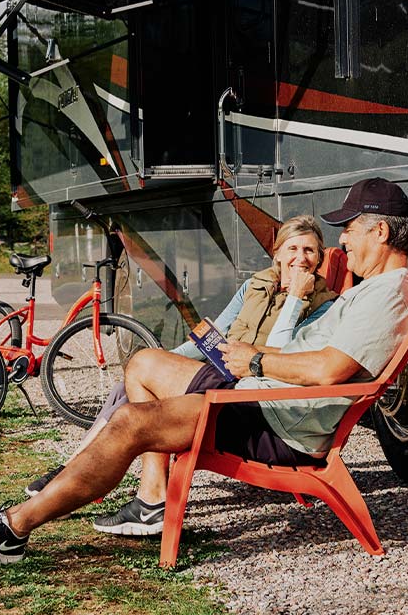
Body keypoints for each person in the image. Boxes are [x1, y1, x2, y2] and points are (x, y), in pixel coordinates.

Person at [0, 178, 408, 565]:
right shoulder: (377, 288)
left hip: (269, 417)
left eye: (349, 229)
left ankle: (11, 528)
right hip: (260, 395)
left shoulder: (388, 293)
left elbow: (333, 369)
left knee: (130, 423)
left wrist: (255, 359)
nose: (343, 240)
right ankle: (152, 500)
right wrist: (247, 361)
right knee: (143, 363)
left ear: (379, 230)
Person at [26, 215, 337, 536]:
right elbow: (216, 332)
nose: (301, 258)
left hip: (252, 394)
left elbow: (274, 356)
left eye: (310, 251)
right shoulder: (254, 285)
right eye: (293, 248)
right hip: (224, 375)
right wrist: (166, 361)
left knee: (141, 385)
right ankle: (78, 472)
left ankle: (97, 484)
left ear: (320, 259)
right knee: (129, 383)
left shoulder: (323, 306)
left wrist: (296, 298)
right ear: (278, 254)